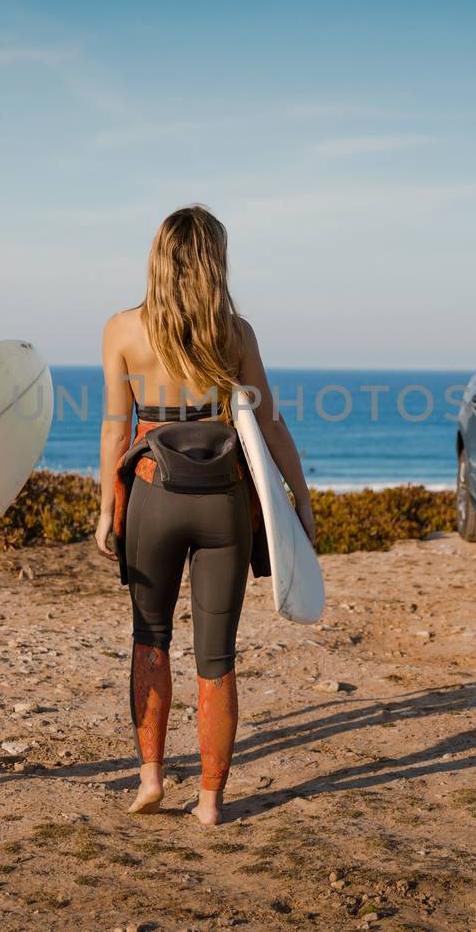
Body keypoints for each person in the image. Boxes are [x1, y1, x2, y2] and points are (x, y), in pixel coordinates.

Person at [94, 205, 314, 826]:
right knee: (216, 656)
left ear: (157, 259)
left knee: (150, 639)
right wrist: (300, 500)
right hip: (224, 501)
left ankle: (150, 779)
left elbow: (115, 431)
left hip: (151, 497)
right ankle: (212, 801)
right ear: (215, 261)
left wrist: (106, 511)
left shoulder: (122, 330)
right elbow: (269, 424)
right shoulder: (235, 334)